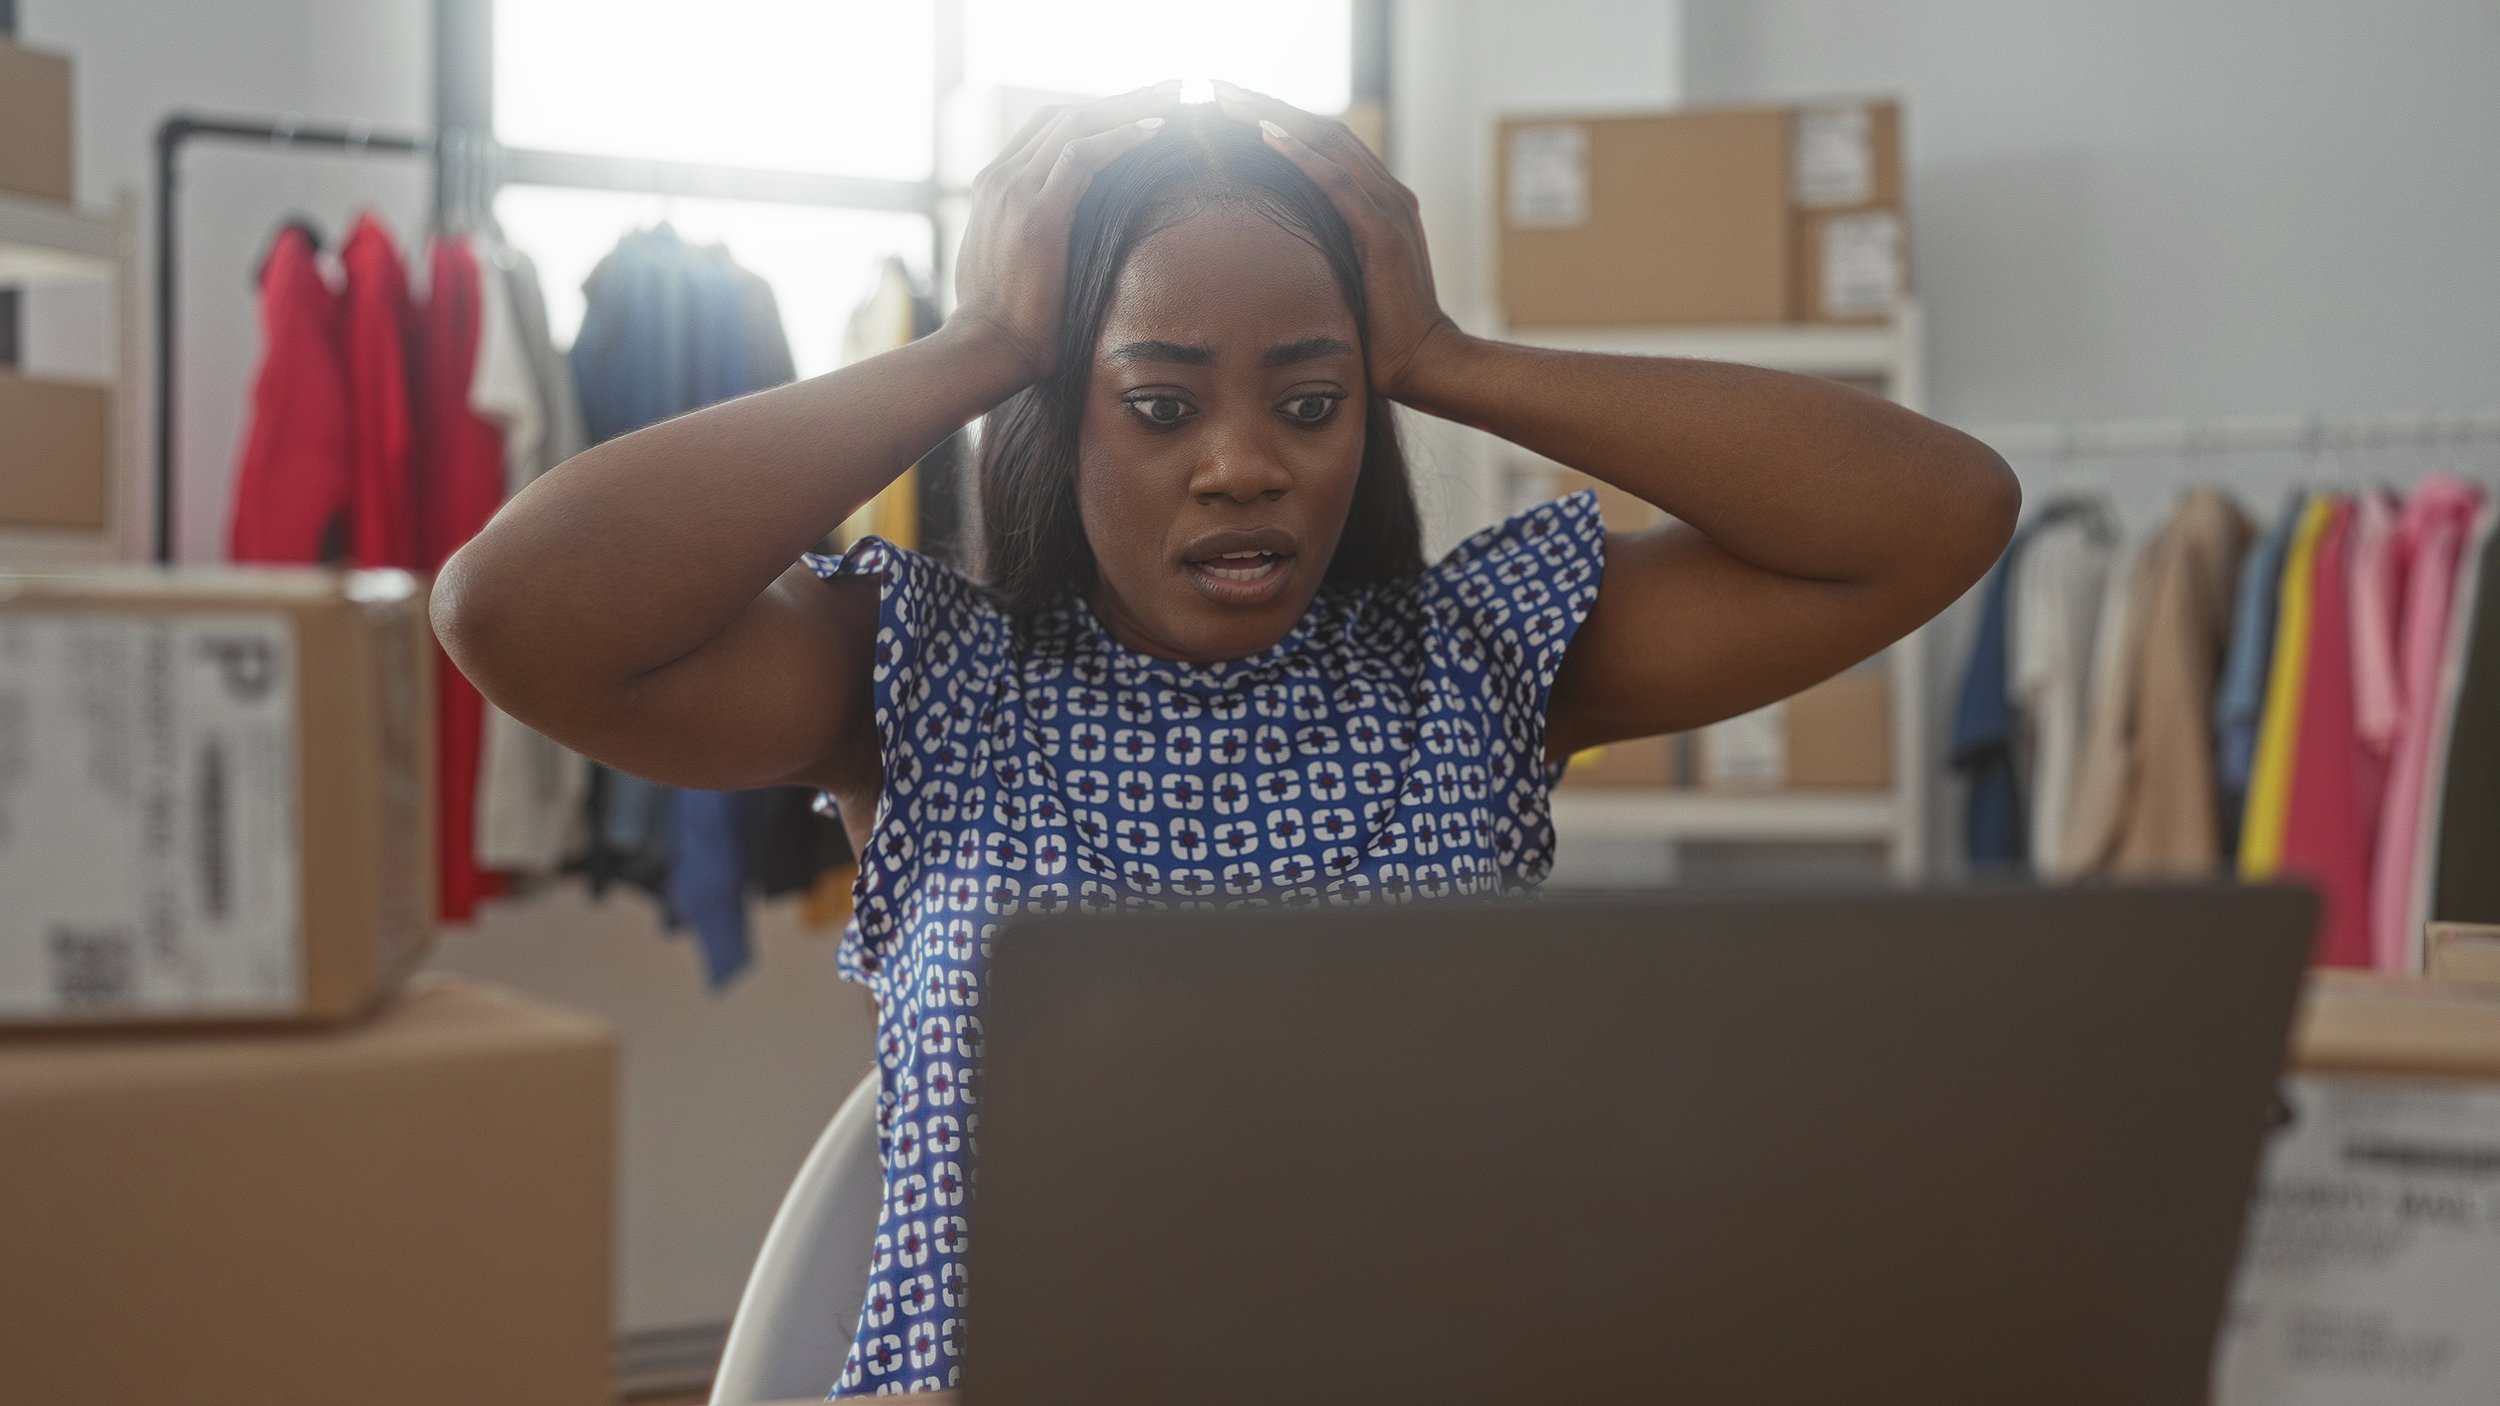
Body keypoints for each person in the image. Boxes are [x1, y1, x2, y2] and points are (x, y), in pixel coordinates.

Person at [435, 82, 2017, 1396]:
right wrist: (984, 341)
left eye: (1314, 405)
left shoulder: (1468, 662)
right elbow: (511, 610)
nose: (1246, 464)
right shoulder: (925, 678)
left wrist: (1450, 360)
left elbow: (1938, 517)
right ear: (1069, 412)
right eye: (1163, 401)